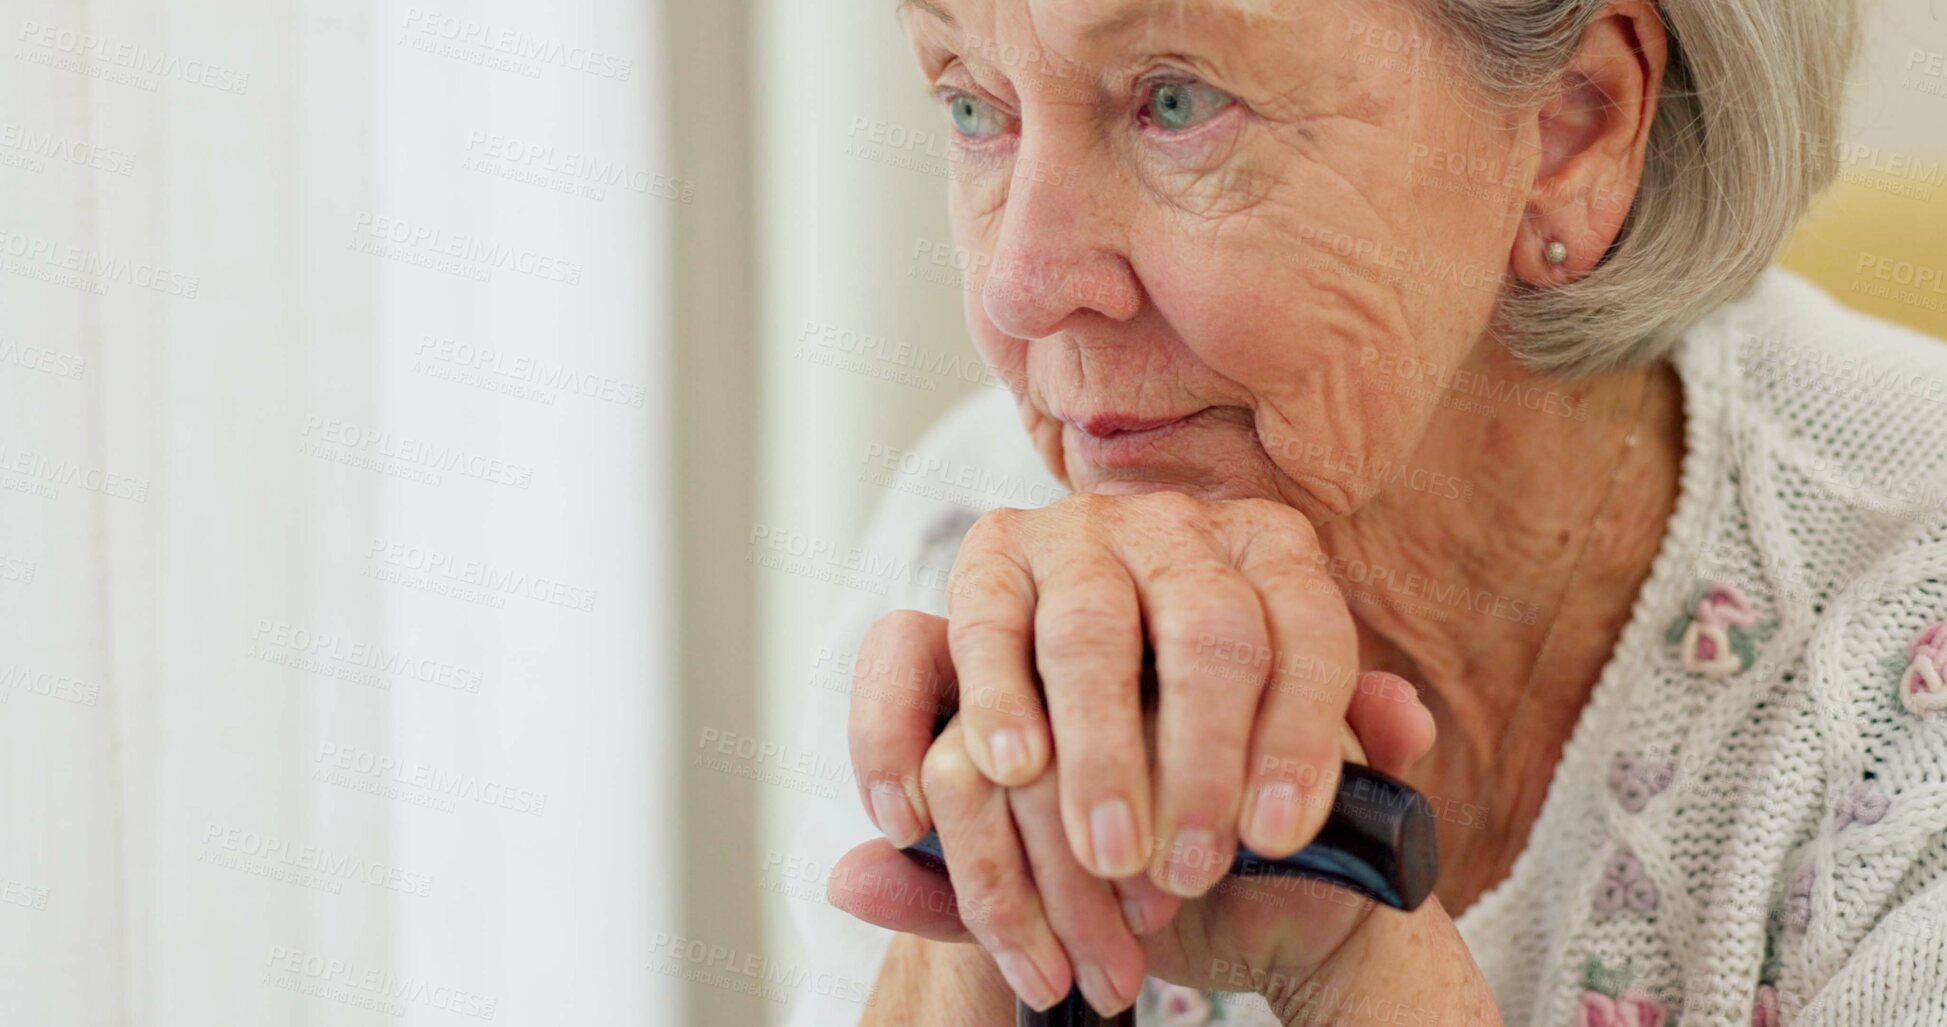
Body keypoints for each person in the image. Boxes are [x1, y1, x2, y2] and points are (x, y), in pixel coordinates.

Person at [783, 0, 1947, 1023]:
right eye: (973, 108)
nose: (1017, 289)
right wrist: (998, 925)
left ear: (1573, 126)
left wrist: (1352, 952)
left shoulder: (1910, 637)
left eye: (1175, 101)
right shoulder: (971, 533)